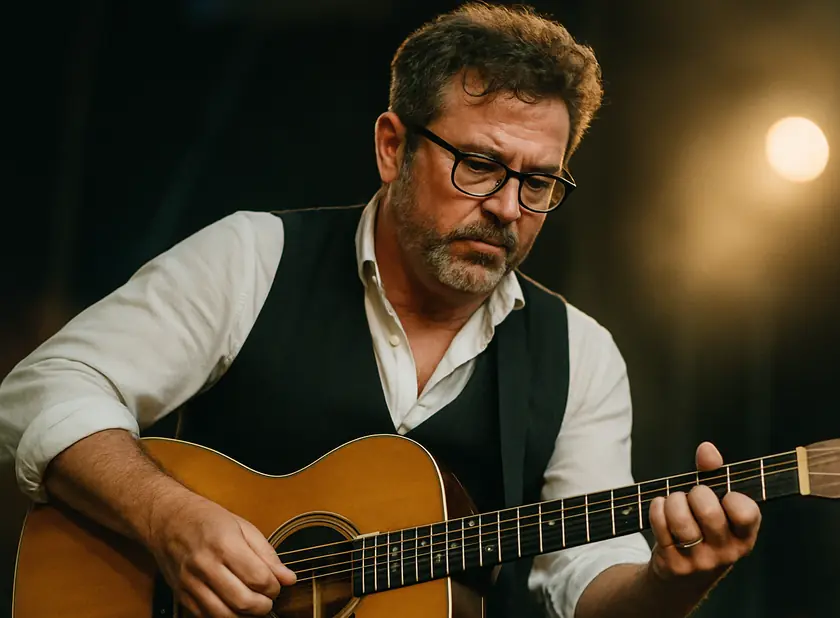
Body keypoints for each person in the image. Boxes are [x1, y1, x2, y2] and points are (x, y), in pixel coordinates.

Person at [0, 3, 761, 618]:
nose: (505, 207)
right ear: (393, 147)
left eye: (539, 184)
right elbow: (43, 389)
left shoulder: (581, 356)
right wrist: (169, 520)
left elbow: (585, 581)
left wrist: (671, 583)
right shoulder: (255, 257)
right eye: (479, 164)